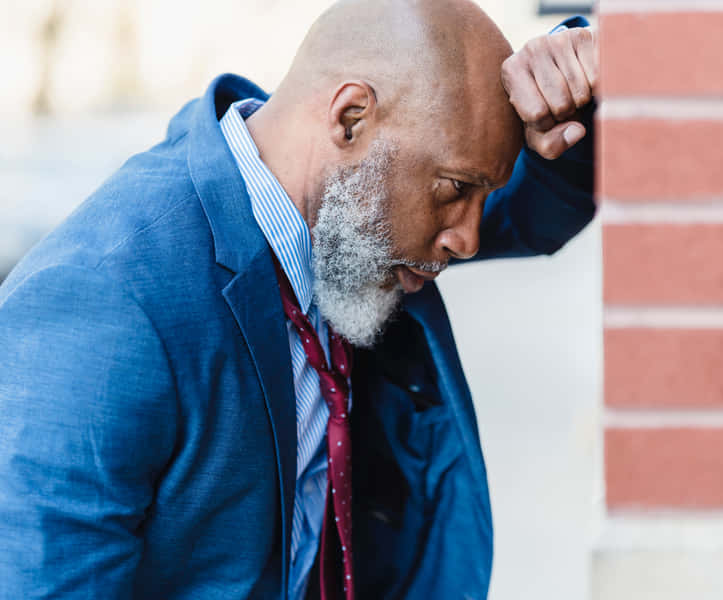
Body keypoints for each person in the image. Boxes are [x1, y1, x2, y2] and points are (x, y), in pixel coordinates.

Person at [0, 0, 596, 598]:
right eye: (456, 190)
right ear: (349, 118)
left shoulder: (352, 215)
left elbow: (541, 208)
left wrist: (583, 82)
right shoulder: (106, 299)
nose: (466, 238)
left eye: (480, 196)